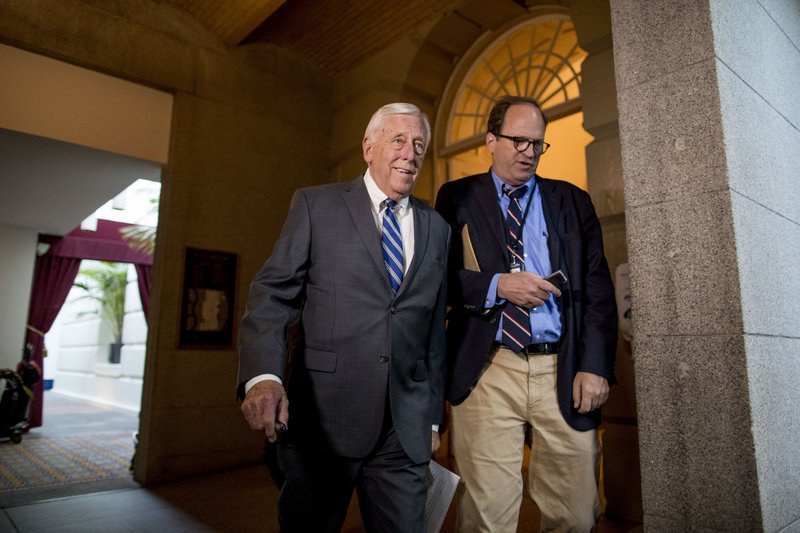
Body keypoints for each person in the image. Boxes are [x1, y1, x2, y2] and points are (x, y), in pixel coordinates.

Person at [238, 102, 450, 533]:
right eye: (398, 140)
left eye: (419, 145)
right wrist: (264, 376)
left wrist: (430, 417)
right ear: (368, 147)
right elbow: (272, 295)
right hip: (324, 423)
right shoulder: (317, 206)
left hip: (402, 432)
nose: (410, 153)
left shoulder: (437, 227)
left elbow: (432, 333)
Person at [434, 95, 617, 532]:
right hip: (488, 368)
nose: (529, 153)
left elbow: (597, 289)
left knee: (575, 513)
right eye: (518, 141)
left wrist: (594, 367)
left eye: (538, 144)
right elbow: (437, 280)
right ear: (491, 141)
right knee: (487, 518)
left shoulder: (572, 201)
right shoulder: (457, 198)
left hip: (564, 366)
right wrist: (497, 285)